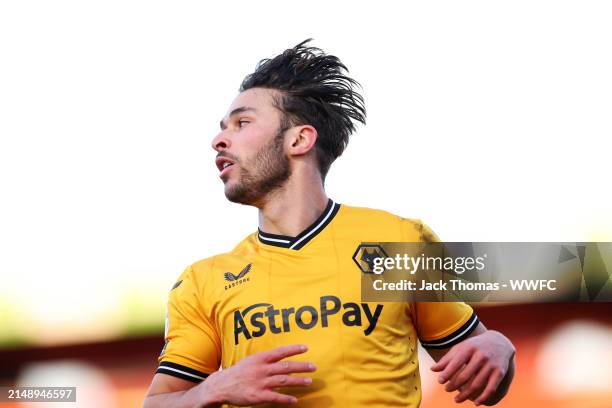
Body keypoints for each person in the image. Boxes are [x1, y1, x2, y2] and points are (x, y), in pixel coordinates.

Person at [143, 40, 515, 408]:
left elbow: (483, 375)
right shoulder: (202, 281)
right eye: (224, 127)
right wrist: (211, 389)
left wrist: (500, 347)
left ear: (300, 139)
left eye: (242, 123)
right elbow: (157, 404)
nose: (218, 140)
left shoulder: (395, 241)